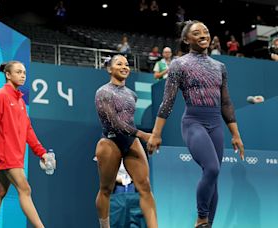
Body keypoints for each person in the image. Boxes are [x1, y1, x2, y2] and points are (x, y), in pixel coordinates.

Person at [147, 21, 245, 228]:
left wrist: (235, 134)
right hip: (194, 123)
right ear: (186, 39)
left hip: (216, 124)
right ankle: (201, 217)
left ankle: (208, 225)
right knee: (211, 168)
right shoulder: (179, 64)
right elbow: (168, 101)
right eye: (196, 32)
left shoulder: (220, 67)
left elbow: (226, 102)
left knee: (214, 177)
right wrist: (156, 133)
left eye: (206, 31)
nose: (203, 34)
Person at [0, 61, 52, 228]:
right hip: (5, 153)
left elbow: (28, 130)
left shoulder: (20, 102)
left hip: (16, 154)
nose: (23, 75)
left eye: (24, 72)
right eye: (18, 72)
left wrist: (42, 153)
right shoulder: (0, 96)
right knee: (25, 189)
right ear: (8, 75)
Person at [94, 55, 158, 228]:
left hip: (130, 142)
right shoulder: (103, 92)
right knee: (106, 189)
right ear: (110, 69)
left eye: (127, 64)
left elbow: (127, 122)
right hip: (110, 141)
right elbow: (113, 123)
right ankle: (104, 226)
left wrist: (138, 137)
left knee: (145, 187)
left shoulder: (132, 95)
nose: (124, 66)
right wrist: (144, 135)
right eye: (119, 63)